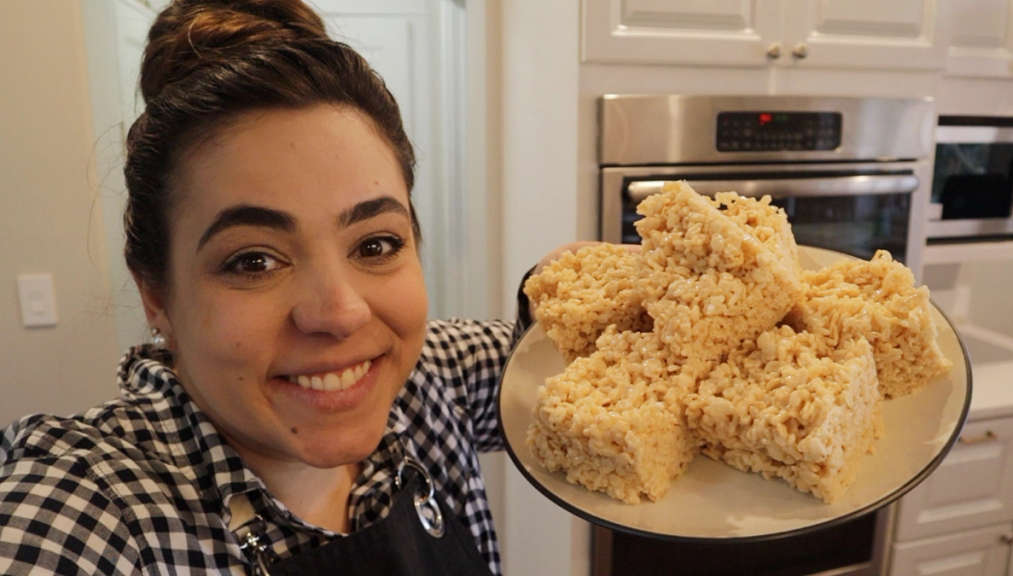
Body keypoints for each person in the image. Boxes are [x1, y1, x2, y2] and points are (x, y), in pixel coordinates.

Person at [0, 1, 579, 573]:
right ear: (156, 295)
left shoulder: (430, 384)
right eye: (254, 261)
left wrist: (602, 304)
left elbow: (572, 370)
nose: (341, 313)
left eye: (375, 245)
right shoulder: (92, 510)